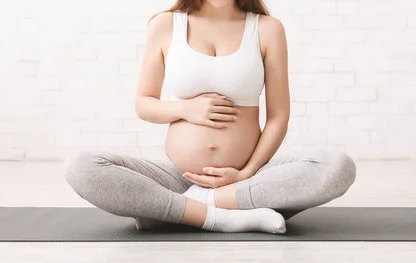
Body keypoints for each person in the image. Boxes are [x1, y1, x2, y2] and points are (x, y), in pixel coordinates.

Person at [63, 0, 356, 234]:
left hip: (245, 179)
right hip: (178, 176)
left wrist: (246, 173)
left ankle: (182, 209)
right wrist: (185, 109)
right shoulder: (166, 25)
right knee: (82, 166)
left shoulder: (267, 29)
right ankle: (222, 216)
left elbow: (278, 117)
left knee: (337, 167)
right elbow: (144, 103)